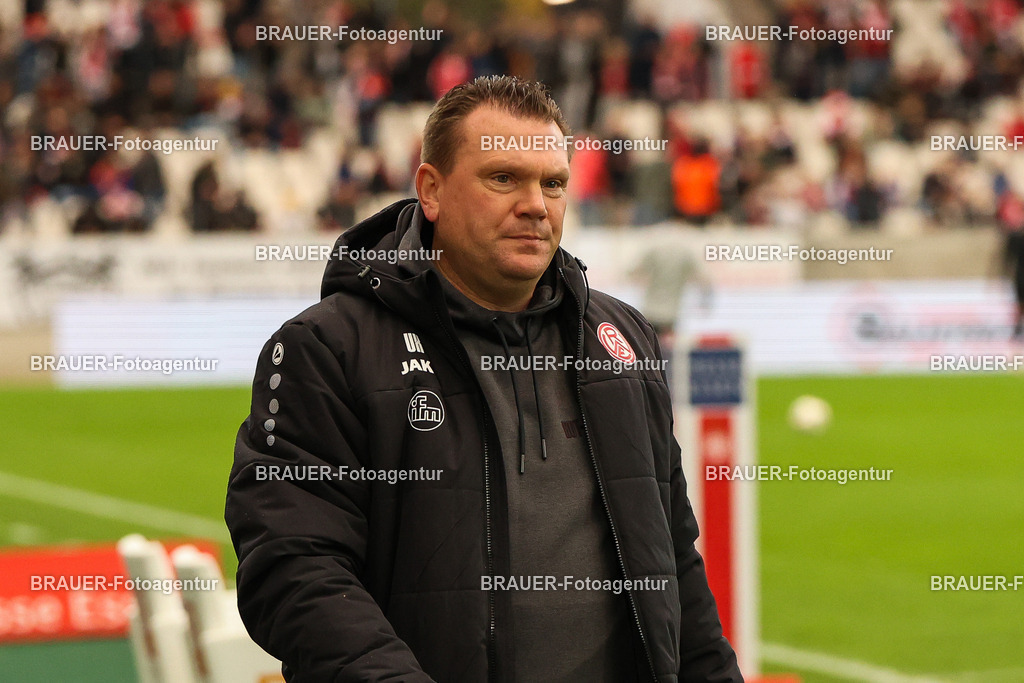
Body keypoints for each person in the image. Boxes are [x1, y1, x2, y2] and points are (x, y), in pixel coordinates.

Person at [226, 75, 742, 682]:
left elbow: (674, 564)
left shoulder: (622, 342)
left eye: (553, 183)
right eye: (503, 178)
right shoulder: (328, 348)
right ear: (432, 191)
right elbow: (293, 569)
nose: (535, 204)